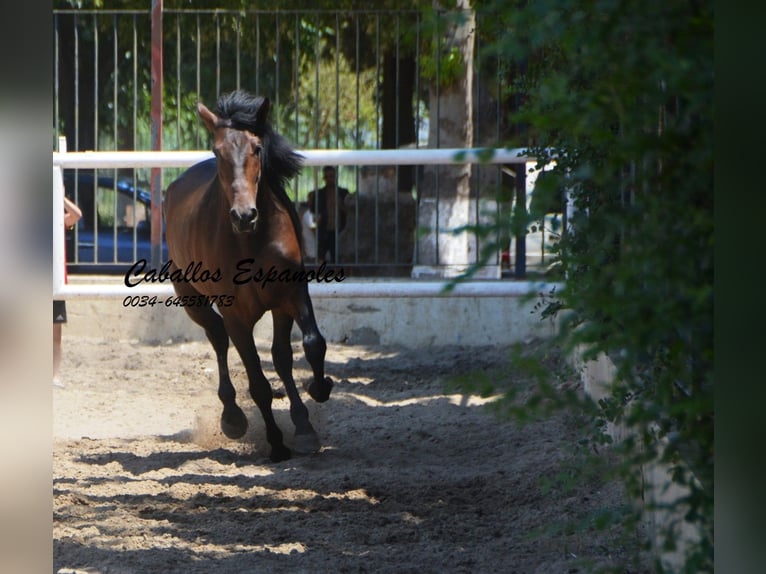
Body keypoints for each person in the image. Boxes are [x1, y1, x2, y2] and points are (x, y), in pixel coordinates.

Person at [53, 195, 82, 387]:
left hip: (53, 284)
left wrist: (58, 194)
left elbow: (76, 214)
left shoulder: (56, 220)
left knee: (55, 336)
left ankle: (53, 375)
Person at [307, 166, 349, 263]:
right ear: (324, 178)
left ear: (335, 177)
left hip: (339, 230)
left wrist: (341, 206)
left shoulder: (343, 193)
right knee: (321, 256)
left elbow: (350, 212)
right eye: (327, 176)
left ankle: (336, 276)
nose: (329, 179)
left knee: (337, 258)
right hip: (324, 229)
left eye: (331, 176)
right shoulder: (319, 194)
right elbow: (313, 211)